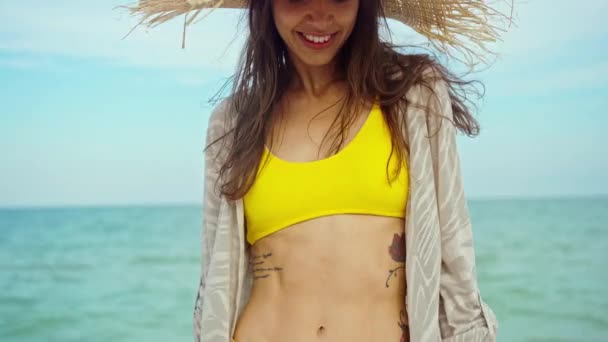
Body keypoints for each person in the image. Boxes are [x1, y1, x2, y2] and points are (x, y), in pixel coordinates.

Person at [119, 0, 515, 341]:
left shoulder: (412, 95)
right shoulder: (234, 123)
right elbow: (214, 279)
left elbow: (454, 260)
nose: (320, 15)